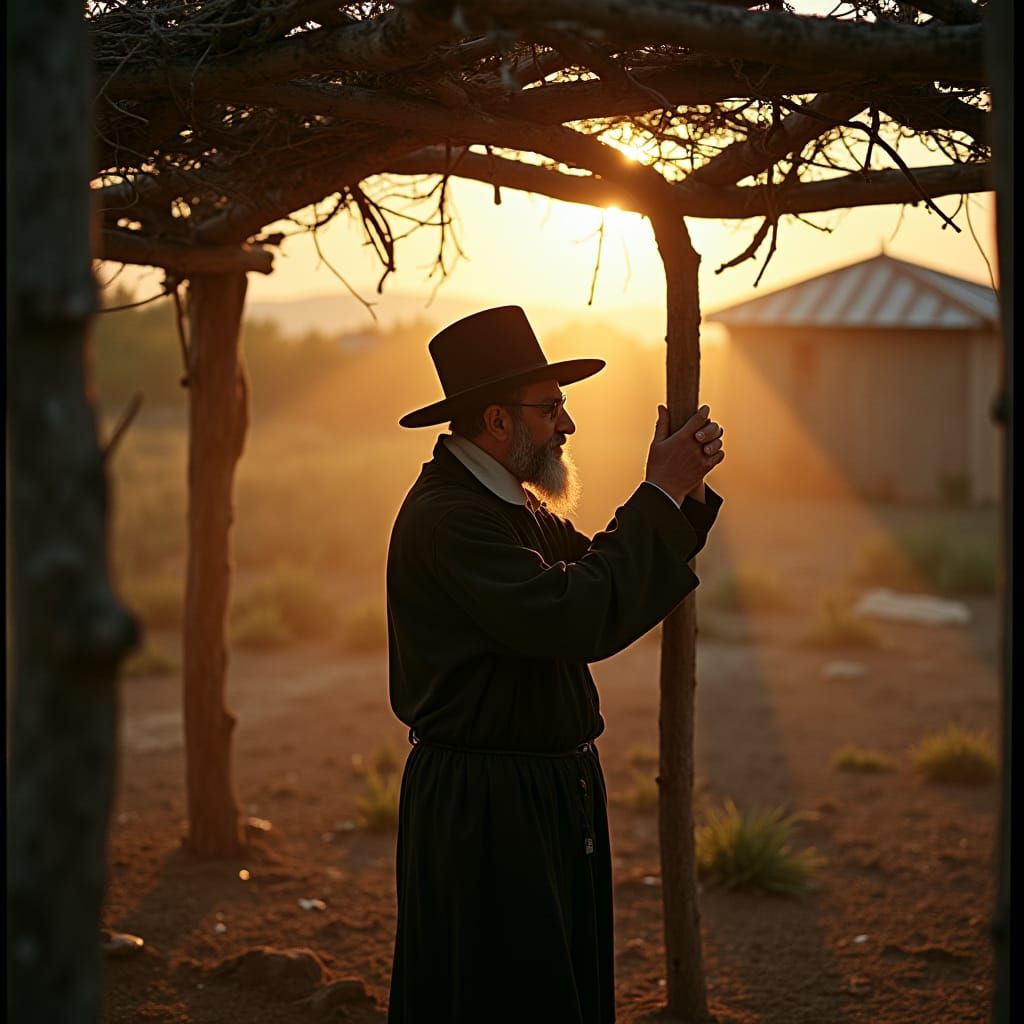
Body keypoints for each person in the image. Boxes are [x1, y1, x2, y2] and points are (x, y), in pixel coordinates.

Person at [385, 306, 724, 1024]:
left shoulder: (512, 507)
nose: (566, 425)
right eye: (551, 408)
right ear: (498, 422)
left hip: (537, 793)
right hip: (484, 805)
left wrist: (679, 492)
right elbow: (573, 612)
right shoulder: (451, 516)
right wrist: (659, 494)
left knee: (549, 986)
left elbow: (601, 564)